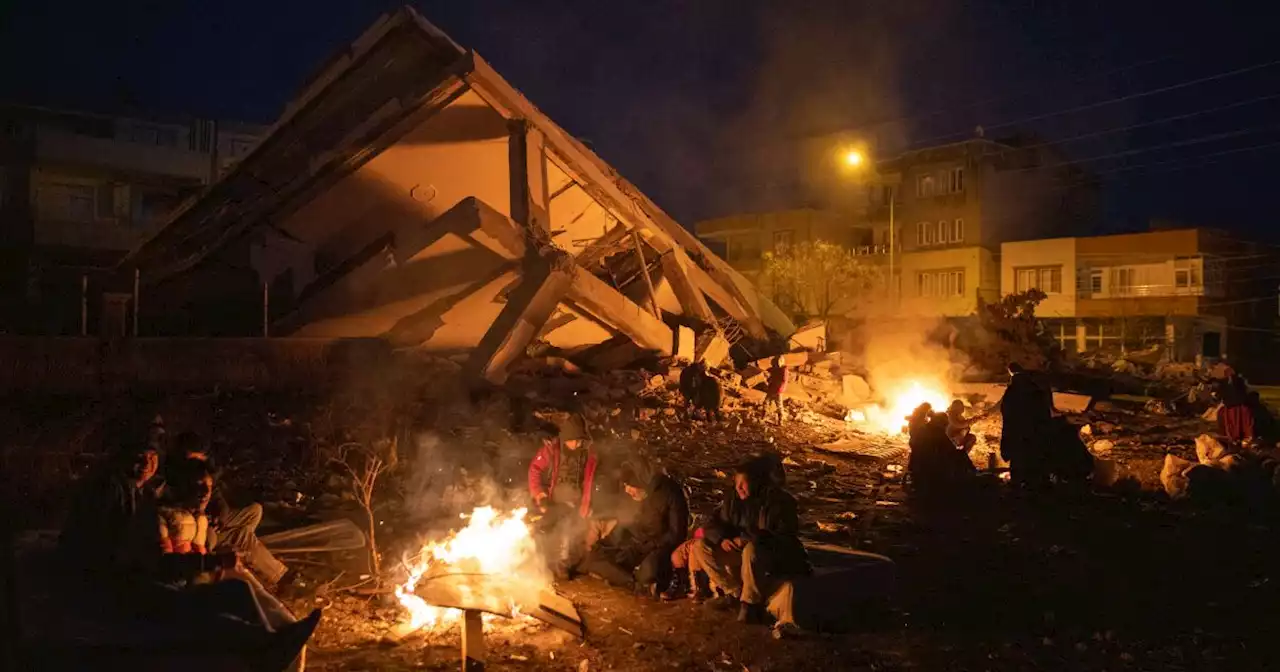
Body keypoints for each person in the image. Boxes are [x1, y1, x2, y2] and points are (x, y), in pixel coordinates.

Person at [691, 460, 810, 625]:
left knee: (751, 549)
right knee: (700, 546)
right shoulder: (734, 499)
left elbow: (778, 535)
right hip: (741, 552)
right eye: (736, 483)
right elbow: (712, 523)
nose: (738, 487)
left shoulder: (777, 501)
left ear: (755, 482)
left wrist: (746, 538)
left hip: (772, 555)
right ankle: (733, 592)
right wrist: (722, 538)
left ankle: (750, 604)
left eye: (743, 483)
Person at [171, 431, 293, 591]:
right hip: (195, 528)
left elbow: (218, 499)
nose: (198, 464)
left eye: (200, 459)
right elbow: (179, 512)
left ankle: (242, 553)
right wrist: (203, 517)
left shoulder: (203, 472)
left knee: (254, 511)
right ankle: (278, 575)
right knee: (240, 535)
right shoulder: (176, 477)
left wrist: (219, 516)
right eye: (193, 459)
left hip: (210, 521)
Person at [583, 462, 689, 597]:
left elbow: (676, 534)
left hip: (660, 547)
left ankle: (633, 581)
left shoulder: (670, 493)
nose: (627, 490)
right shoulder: (642, 495)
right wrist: (607, 543)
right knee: (597, 558)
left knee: (648, 572)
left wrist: (652, 545)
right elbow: (634, 524)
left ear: (639, 483)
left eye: (628, 485)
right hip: (640, 544)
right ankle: (634, 583)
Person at [529, 414, 608, 578]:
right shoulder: (552, 449)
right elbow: (535, 470)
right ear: (566, 438)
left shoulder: (588, 454)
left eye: (581, 440)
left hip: (575, 501)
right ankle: (535, 560)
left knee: (568, 528)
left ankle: (562, 564)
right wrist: (540, 495)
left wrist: (587, 503)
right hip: (551, 499)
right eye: (575, 440)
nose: (578, 444)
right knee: (541, 527)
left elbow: (590, 480)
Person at [999, 363, 1053, 487]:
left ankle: (1018, 489)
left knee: (1018, 461)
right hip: (1035, 433)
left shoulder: (1013, 391)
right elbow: (1044, 410)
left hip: (1018, 434)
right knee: (1034, 459)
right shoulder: (1035, 389)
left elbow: (1006, 411)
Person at [1218, 374, 1255, 447]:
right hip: (1231, 405)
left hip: (1237, 405)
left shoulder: (1245, 410)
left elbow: (1249, 428)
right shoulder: (1223, 411)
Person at [764, 356, 788, 425]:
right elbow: (770, 372)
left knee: (779, 406)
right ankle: (764, 416)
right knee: (766, 402)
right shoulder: (776, 369)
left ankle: (780, 420)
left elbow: (783, 381)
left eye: (775, 364)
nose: (774, 365)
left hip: (777, 390)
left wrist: (778, 389)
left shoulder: (783, 371)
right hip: (773, 389)